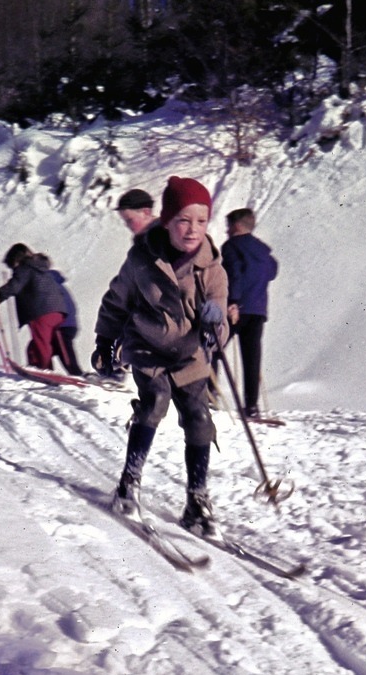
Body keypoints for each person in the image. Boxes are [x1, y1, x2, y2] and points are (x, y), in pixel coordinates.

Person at [92, 175, 229, 536]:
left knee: (199, 417)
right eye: (183, 220)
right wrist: (104, 342)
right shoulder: (141, 260)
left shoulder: (212, 268)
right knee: (154, 403)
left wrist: (216, 325)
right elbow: (115, 301)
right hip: (147, 346)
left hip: (189, 354)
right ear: (167, 221)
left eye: (201, 221)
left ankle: (197, 500)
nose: (192, 230)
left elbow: (220, 319)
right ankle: (129, 483)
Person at [221, 208, 278, 419]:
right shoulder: (263, 251)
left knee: (212, 349)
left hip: (236, 308)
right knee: (251, 357)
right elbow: (272, 271)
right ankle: (251, 407)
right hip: (258, 309)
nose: (226, 231)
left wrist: (233, 301)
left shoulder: (232, 246)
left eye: (228, 226)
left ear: (236, 226)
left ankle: (208, 396)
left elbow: (233, 273)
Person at [0, 243, 68, 370]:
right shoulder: (40, 267)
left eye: (12, 265)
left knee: (41, 344)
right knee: (37, 347)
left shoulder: (25, 267)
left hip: (41, 310)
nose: (13, 269)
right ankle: (42, 367)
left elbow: (14, 286)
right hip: (58, 310)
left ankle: (46, 370)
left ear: (16, 259)